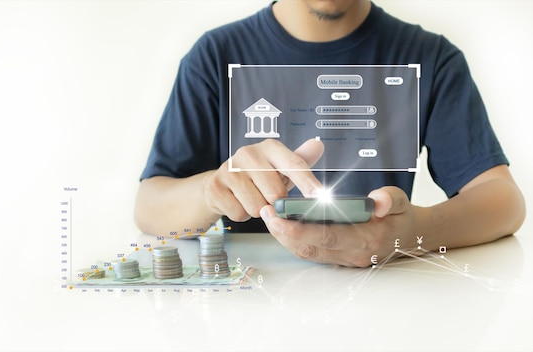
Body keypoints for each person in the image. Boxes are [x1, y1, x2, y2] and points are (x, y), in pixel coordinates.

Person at [134, 0, 526, 267]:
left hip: (387, 302)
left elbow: (503, 200)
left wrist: (411, 234)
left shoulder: (431, 58)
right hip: (251, 304)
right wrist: (211, 190)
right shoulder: (213, 55)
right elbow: (150, 205)